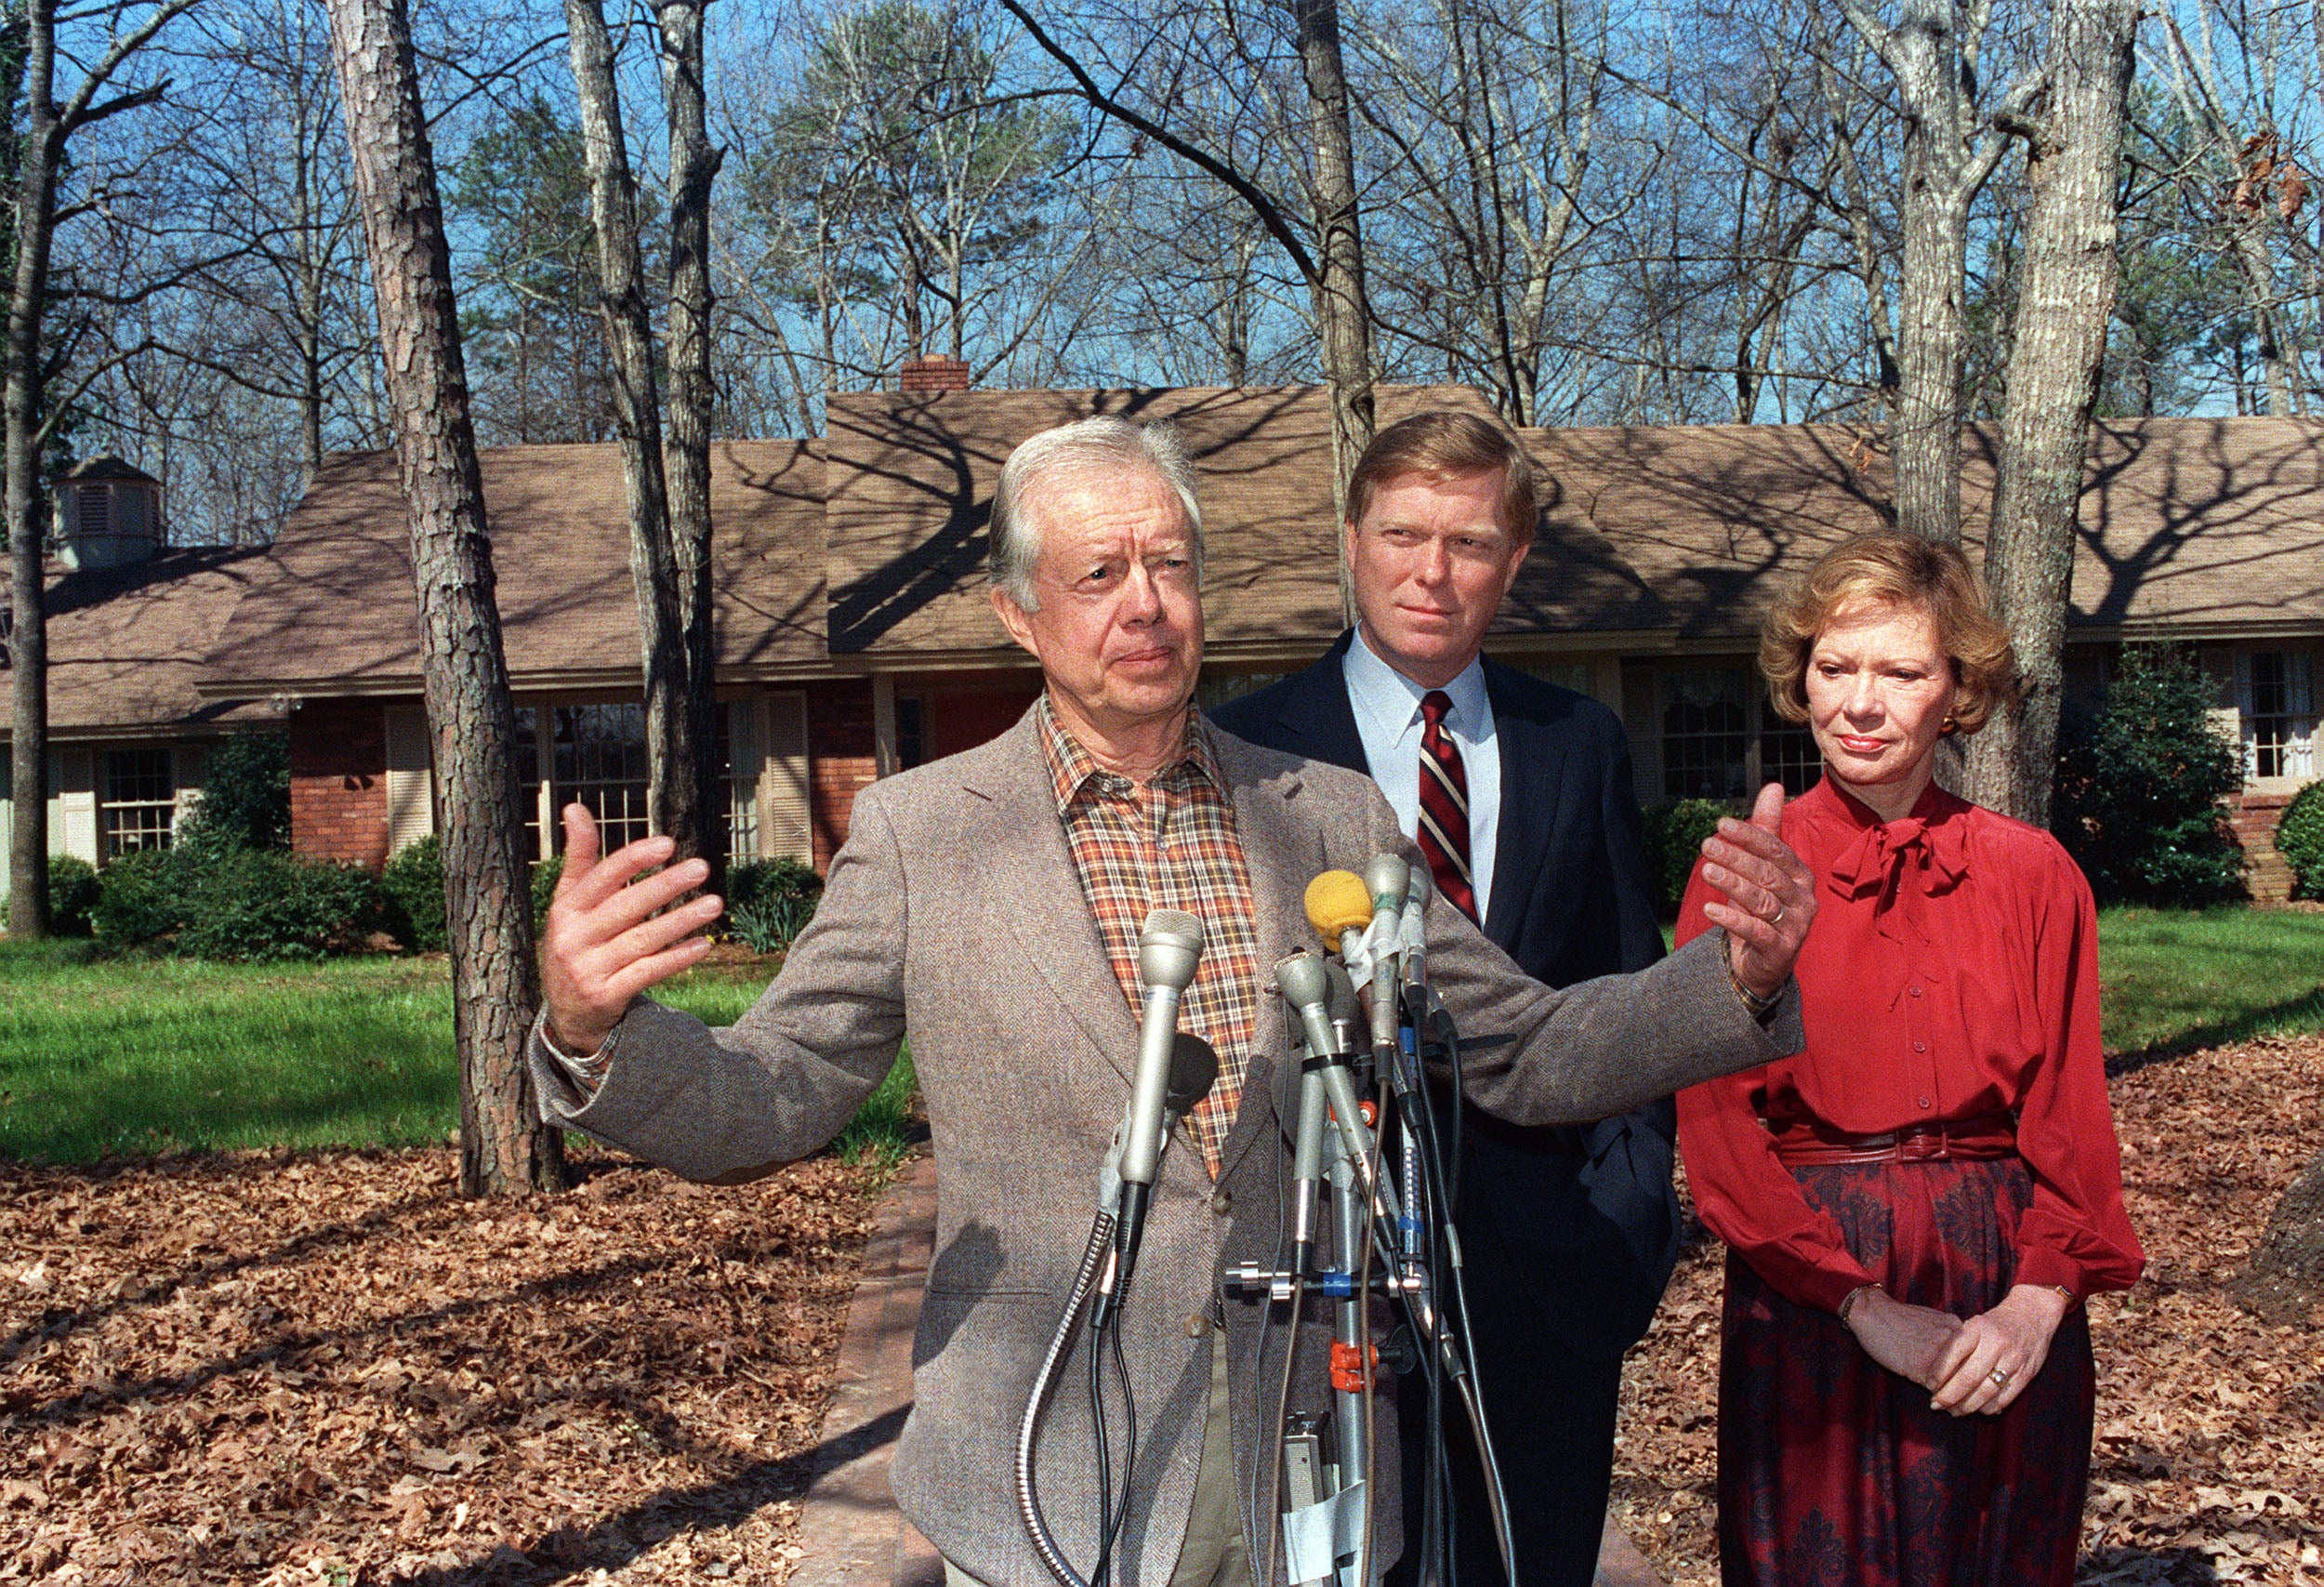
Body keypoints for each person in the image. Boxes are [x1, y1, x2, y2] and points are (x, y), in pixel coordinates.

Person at [535, 415, 1819, 1587]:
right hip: (1046, 1459)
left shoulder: (1328, 814)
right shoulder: (922, 835)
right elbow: (778, 1089)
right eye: (1097, 574)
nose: (1143, 605)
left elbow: (1531, 1048)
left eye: (1171, 566)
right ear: (1018, 613)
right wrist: (597, 1033)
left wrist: (1734, 978)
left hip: (1305, 1450)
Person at [1213, 410, 1672, 1587]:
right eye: (1403, 533)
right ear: (1352, 539)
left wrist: (1625, 1225)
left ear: (1514, 561)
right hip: (1325, 1273)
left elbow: (1617, 984)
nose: (1432, 571)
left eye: (1469, 543)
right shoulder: (1246, 748)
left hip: (1545, 1274)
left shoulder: (1576, 742)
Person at [1672, 532, 2146, 1587]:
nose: (1860, 703)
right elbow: (1715, 1134)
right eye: (1835, 669)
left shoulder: (2034, 875)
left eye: (1900, 672)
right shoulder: (1747, 874)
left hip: (2000, 1274)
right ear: (1801, 680)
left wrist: (2038, 1302)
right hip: (1812, 1282)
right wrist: (1858, 1303)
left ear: (1957, 691)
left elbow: (2070, 1120)